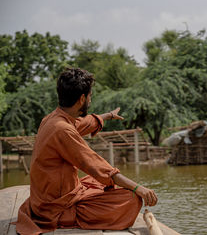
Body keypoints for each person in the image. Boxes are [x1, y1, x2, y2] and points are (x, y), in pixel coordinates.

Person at [15, 67, 158, 235]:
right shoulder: (63, 130)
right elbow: (97, 166)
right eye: (90, 96)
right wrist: (138, 188)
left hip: (46, 198)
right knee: (131, 199)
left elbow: (83, 124)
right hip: (55, 208)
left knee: (98, 183)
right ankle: (70, 218)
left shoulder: (52, 118)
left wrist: (109, 115)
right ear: (82, 99)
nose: (90, 100)